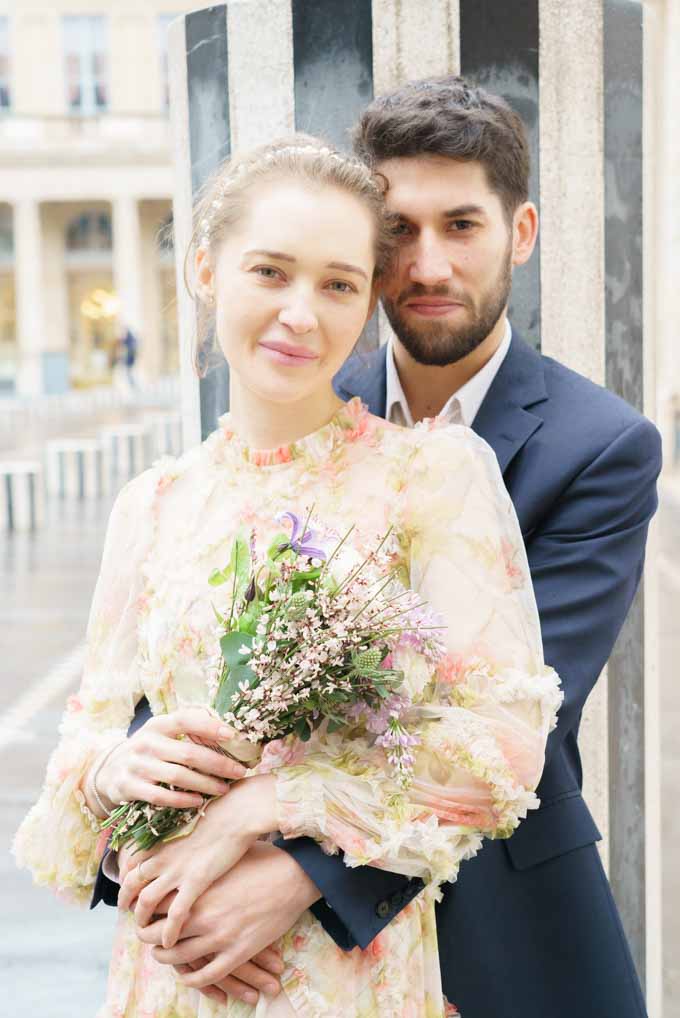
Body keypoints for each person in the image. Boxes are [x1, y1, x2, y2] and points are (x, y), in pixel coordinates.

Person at [92, 79, 661, 1017]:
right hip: (210, 924)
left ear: (519, 234)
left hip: (485, 919)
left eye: (463, 226)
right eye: (400, 233)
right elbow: (168, 665)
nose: (428, 264)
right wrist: (145, 836)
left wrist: (289, 870)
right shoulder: (293, 372)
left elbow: (518, 719)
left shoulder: (597, 445)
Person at [13, 136, 561, 1016]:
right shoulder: (153, 503)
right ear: (205, 269)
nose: (301, 314)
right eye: (271, 272)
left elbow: (499, 748)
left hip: (344, 976)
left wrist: (266, 805)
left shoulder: (431, 478)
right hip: (172, 972)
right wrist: (114, 774)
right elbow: (81, 744)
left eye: (339, 284)